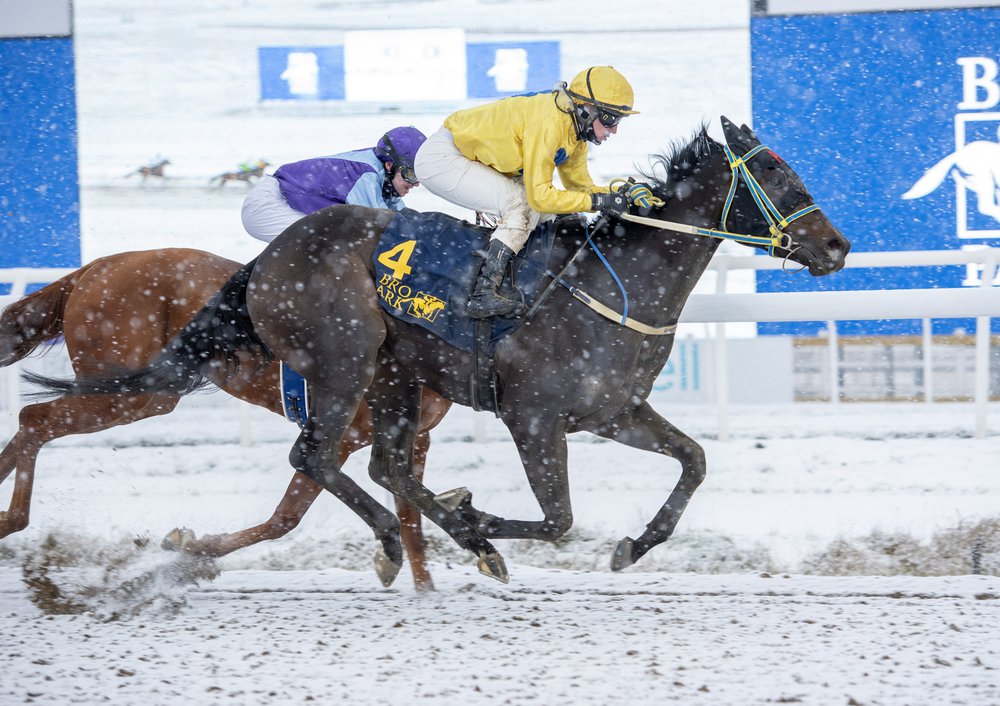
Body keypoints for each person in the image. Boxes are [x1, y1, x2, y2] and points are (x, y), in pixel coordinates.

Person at [414, 65, 648, 318]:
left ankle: (522, 279)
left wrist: (619, 193)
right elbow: (540, 196)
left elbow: (582, 189)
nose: (614, 130)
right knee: (523, 206)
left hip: (469, 157)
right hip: (443, 158)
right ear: (585, 109)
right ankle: (483, 293)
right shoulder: (549, 123)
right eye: (610, 119)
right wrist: (599, 201)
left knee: (549, 213)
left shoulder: (575, 133)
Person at [241, 126, 427, 243]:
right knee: (338, 244)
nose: (415, 183)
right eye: (411, 174)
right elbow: (382, 227)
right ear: (389, 164)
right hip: (268, 205)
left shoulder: (383, 169)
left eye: (420, 176)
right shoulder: (366, 175)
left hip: (282, 199)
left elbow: (400, 217)